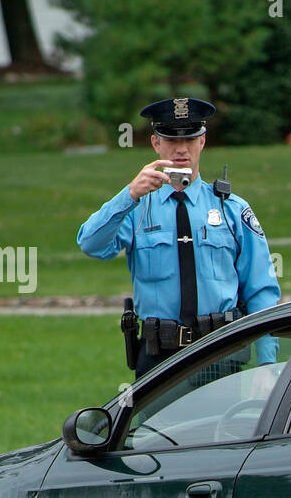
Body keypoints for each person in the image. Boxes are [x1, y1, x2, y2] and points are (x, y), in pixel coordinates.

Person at [77, 96, 280, 378]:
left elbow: (260, 290)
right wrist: (129, 195)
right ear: (155, 143)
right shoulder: (138, 208)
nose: (181, 149)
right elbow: (91, 244)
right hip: (159, 357)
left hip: (221, 351)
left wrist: (268, 364)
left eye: (190, 139)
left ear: (203, 141)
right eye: (171, 140)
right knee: (156, 425)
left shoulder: (231, 209)